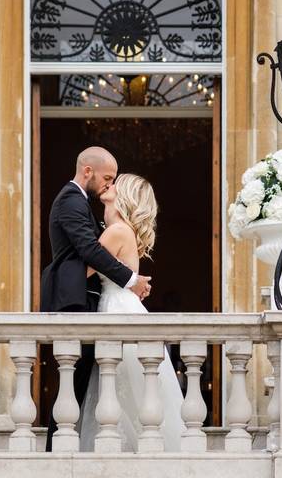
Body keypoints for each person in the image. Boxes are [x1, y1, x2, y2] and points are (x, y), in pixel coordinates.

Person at [40, 147, 152, 451]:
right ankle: (58, 450)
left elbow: (90, 257)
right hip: (86, 306)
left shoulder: (106, 223)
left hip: (101, 306)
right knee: (77, 384)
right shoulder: (72, 200)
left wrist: (129, 281)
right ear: (87, 171)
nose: (108, 185)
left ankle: (59, 449)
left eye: (114, 181)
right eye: (107, 178)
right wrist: (132, 280)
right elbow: (89, 252)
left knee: (81, 385)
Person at [77, 173, 185, 451]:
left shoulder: (116, 232)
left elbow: (80, 273)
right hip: (122, 305)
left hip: (116, 310)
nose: (108, 184)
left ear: (124, 195)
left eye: (115, 182)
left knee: (121, 391)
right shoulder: (121, 230)